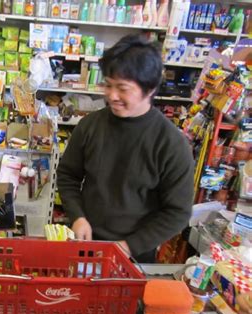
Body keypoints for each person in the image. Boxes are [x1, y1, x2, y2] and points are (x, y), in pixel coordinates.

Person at [57, 34, 194, 263]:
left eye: (123, 88)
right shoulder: (90, 125)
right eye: (108, 85)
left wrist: (130, 246)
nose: (112, 96)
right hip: (85, 241)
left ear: (149, 89)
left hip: (135, 254)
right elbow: (68, 175)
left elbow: (178, 212)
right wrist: (77, 217)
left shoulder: (171, 144)